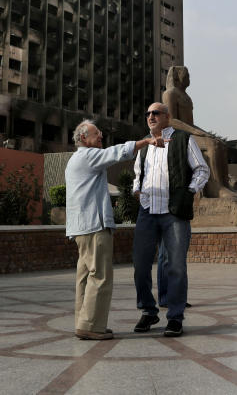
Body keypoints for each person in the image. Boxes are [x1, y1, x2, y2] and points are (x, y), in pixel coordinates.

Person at [65, 120, 162, 341]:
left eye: (100, 133)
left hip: (81, 228)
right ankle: (91, 325)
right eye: (95, 134)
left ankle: (84, 322)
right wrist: (146, 141)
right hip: (94, 225)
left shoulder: (76, 159)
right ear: (82, 138)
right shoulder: (87, 156)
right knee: (99, 275)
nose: (100, 136)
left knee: (85, 277)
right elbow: (116, 153)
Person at [132, 102, 210, 337]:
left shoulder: (184, 139)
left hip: (174, 211)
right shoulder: (144, 144)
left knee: (175, 266)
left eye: (155, 113)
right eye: (147, 113)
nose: (150, 116)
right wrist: (136, 189)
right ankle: (148, 311)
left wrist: (189, 191)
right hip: (147, 211)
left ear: (167, 116)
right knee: (140, 266)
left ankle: (175, 317)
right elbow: (138, 174)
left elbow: (202, 169)